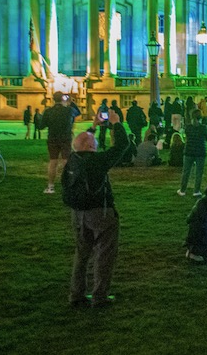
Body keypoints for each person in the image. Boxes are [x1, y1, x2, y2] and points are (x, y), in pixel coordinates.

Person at [63, 111, 132, 307]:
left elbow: (81, 142)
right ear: (91, 147)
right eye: (93, 142)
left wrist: (93, 127)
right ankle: (99, 297)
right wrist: (117, 124)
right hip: (100, 213)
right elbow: (122, 146)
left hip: (77, 214)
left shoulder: (72, 160)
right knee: (104, 254)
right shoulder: (97, 162)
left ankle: (76, 295)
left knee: (82, 254)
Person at [43, 93, 75, 194]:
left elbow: (41, 125)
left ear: (53, 99)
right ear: (62, 99)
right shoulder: (69, 110)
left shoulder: (48, 111)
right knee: (66, 162)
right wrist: (70, 102)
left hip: (52, 138)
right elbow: (77, 113)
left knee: (53, 162)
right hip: (65, 138)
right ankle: (68, 185)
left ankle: (51, 186)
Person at [177, 110, 207, 197]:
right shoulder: (203, 127)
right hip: (200, 151)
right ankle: (196, 190)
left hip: (189, 151)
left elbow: (186, 136)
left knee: (186, 171)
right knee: (199, 172)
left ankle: (183, 190)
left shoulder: (188, 127)